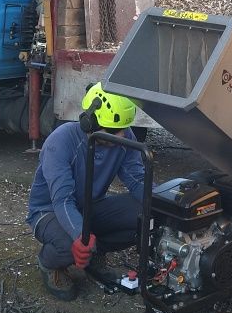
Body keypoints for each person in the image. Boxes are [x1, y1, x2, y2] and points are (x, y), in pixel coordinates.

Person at [26, 83, 145, 301]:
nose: (121, 136)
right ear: (89, 122)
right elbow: (62, 200)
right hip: (48, 211)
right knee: (67, 244)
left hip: (90, 207)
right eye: (112, 131)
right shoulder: (60, 142)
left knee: (144, 216)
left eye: (123, 130)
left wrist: (164, 203)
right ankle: (49, 263)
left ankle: (95, 255)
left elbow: (137, 179)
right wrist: (80, 236)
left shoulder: (123, 135)